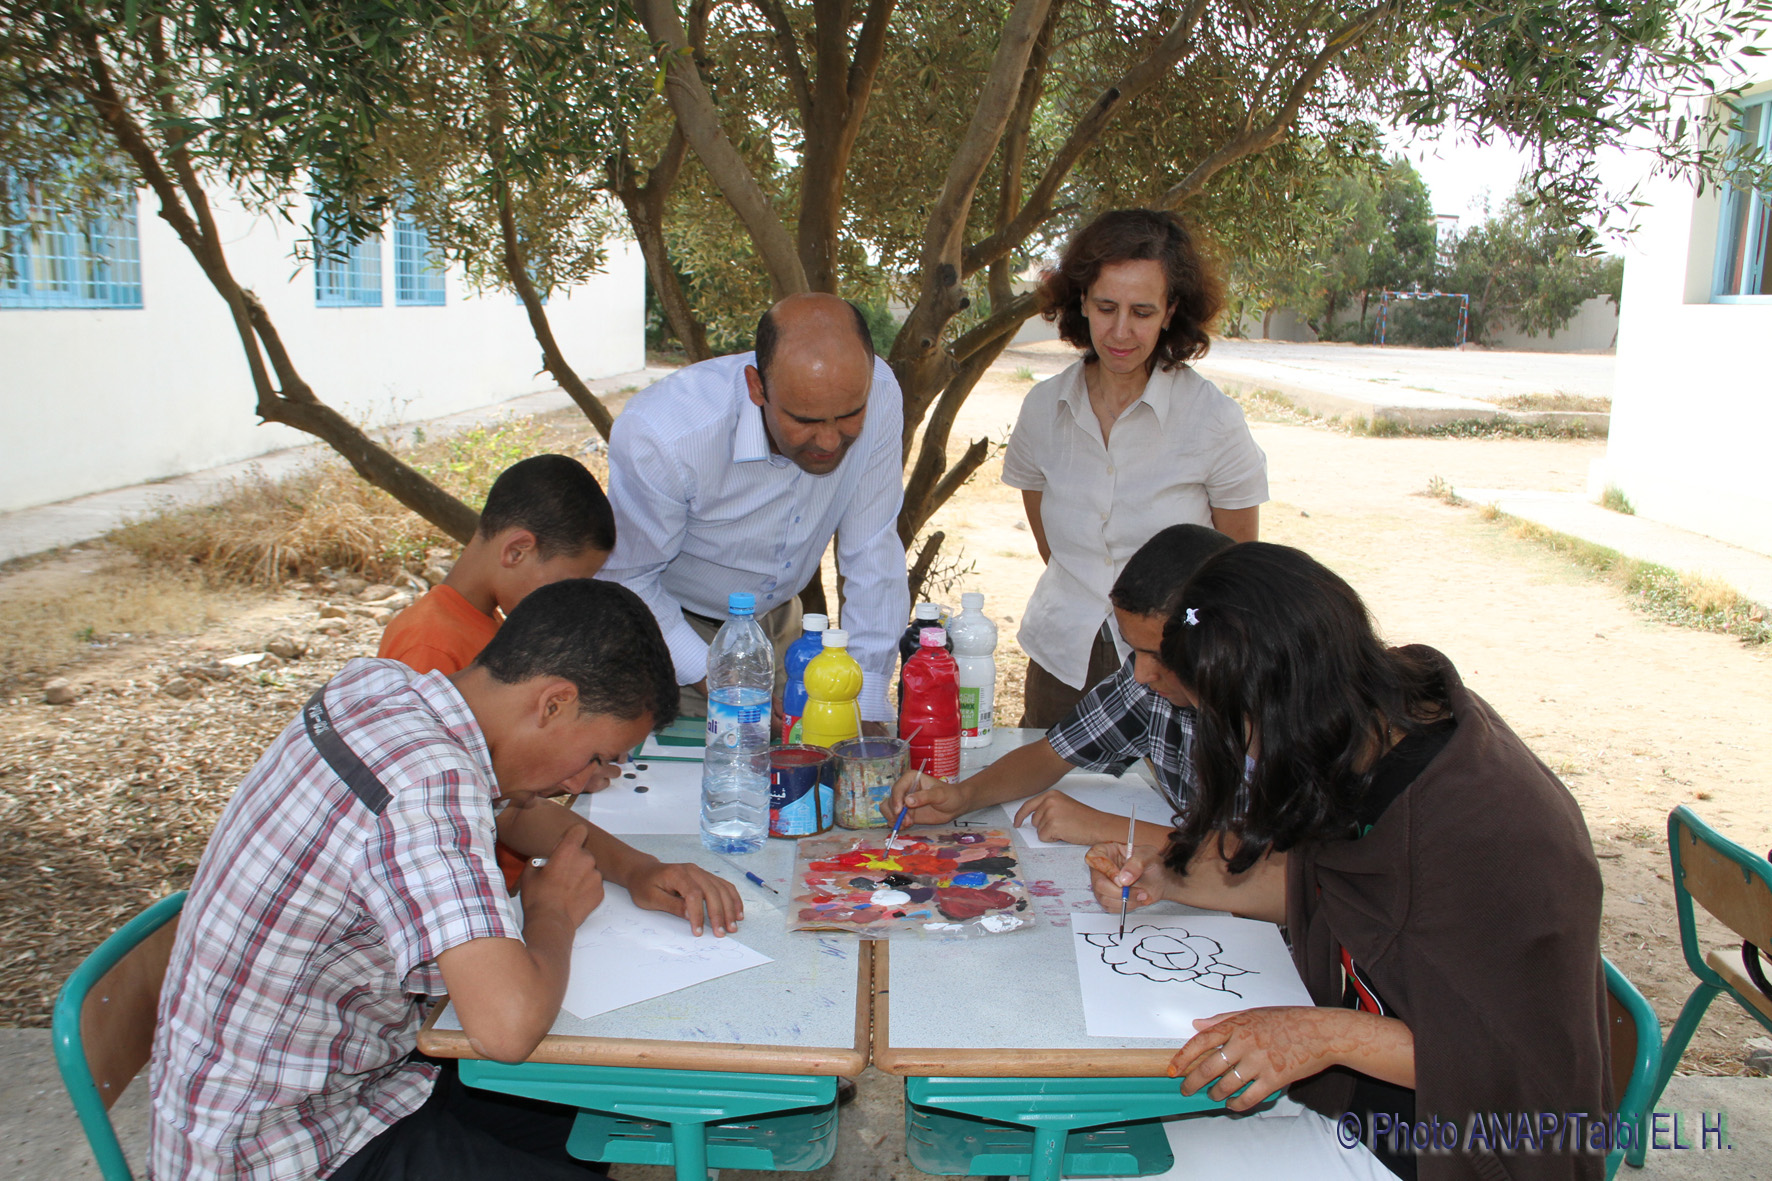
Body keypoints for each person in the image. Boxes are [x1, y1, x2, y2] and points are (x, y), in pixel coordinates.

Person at [151, 580, 728, 1180]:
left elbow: (512, 814)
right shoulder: (427, 786)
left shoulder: (380, 686)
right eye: (598, 758)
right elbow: (507, 1027)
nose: (585, 784)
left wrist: (636, 869)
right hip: (279, 1147)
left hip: (302, 1089)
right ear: (554, 703)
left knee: (579, 1108)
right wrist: (551, 912)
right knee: (557, 1087)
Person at [1087, 543, 1609, 1181]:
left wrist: (1321, 1036)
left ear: (1280, 700)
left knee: (1116, 1165)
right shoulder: (1373, 731)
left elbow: (1514, 1058)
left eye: (1233, 724)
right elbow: (1315, 887)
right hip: (1357, 1102)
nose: (1242, 750)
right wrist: (1167, 875)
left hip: (1455, 1149)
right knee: (1107, 1133)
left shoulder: (1477, 826)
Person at [377, 453, 729, 911]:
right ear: (517, 550)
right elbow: (478, 819)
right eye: (569, 581)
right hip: (469, 900)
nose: (568, 599)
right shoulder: (431, 648)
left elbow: (507, 803)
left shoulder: (491, 629)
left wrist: (633, 865)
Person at [1003, 209, 1267, 727]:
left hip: (1176, 671)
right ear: (1082, 300)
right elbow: (1050, 544)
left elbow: (1238, 566)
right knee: (1046, 777)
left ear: (1170, 312)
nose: (1120, 331)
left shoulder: (1213, 419)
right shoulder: (1042, 409)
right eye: (1106, 307)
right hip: (1060, 660)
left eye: (1142, 312)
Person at [599, 292, 909, 730]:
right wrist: (724, 681)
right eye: (805, 420)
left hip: (783, 628)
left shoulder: (879, 392)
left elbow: (872, 549)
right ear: (757, 387)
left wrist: (866, 701)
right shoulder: (664, 436)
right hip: (673, 633)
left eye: (849, 416)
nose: (829, 441)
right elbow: (628, 579)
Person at [883, 524, 1232, 846]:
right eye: (1134, 650)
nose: (1140, 673)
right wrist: (962, 797)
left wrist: (1104, 827)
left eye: (1158, 655)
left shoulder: (1256, 709)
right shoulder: (1148, 686)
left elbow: (1256, 865)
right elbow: (1051, 754)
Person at [379, 453, 615, 679]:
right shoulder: (430, 645)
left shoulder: (483, 621)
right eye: (564, 586)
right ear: (516, 551)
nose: (565, 604)